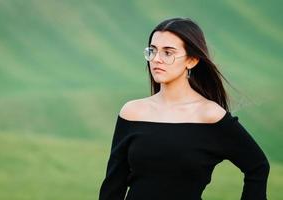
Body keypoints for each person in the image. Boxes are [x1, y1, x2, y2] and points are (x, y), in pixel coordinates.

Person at [98, 17, 270, 200]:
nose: (156, 59)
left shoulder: (210, 115)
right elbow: (113, 185)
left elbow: (257, 167)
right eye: (152, 51)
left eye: (168, 53)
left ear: (192, 60)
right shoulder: (132, 112)